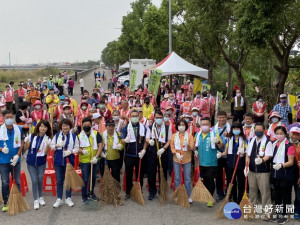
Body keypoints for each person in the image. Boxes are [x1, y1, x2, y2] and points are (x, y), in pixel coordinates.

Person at [244, 123, 273, 221]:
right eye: (256, 130)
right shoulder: (252, 140)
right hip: (252, 170)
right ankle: (252, 210)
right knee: (252, 191)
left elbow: (268, 155)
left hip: (263, 171)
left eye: (260, 130)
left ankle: (267, 213)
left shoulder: (268, 142)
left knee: (265, 192)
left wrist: (262, 160)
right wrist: (246, 166)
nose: (258, 132)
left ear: (264, 130)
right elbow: (248, 155)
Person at [50, 119, 79, 208]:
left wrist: (70, 152)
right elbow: (51, 147)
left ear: (70, 126)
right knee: (59, 181)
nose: (65, 127)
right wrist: (57, 145)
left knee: (68, 180)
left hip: (69, 161)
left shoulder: (74, 136)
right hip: (58, 161)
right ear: (61, 127)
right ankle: (59, 199)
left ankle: (68, 198)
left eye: (66, 125)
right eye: (63, 126)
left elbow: (77, 148)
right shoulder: (57, 135)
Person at [269, 126, 295, 224]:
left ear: (285, 134)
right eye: (277, 133)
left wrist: (281, 165)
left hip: (285, 175)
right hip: (275, 174)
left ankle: (285, 215)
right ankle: (278, 213)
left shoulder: (289, 146)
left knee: (286, 196)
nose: (279, 135)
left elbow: (291, 162)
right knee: (277, 195)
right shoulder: (274, 144)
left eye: (281, 133)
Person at [0, 110, 25, 212]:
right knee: (5, 183)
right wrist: (1, 149)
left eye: (11, 117)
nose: (9, 119)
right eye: (7, 117)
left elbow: (22, 143)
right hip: (3, 161)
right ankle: (6, 202)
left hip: (15, 160)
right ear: (3, 118)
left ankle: (17, 201)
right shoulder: (0, 129)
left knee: (17, 181)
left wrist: (17, 156)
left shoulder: (18, 128)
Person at [195, 117, 223, 207]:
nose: (204, 126)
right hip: (201, 162)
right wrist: (194, 150)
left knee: (210, 180)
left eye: (206, 124)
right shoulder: (197, 135)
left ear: (210, 124)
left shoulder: (214, 134)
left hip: (211, 162)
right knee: (205, 180)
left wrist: (218, 141)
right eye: (203, 124)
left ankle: (210, 198)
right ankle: (206, 196)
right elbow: (195, 146)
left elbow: (222, 146)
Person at [121, 109, 148, 200]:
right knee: (128, 174)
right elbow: (122, 139)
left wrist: (144, 150)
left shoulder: (143, 127)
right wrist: (125, 140)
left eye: (136, 116)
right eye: (133, 116)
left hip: (139, 155)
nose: (135, 117)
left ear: (139, 117)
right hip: (129, 154)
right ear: (130, 117)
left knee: (139, 174)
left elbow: (145, 140)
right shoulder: (125, 127)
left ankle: (139, 190)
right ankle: (129, 191)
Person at [25, 120, 52, 210]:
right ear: (38, 127)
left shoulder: (48, 139)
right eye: (41, 126)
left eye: (45, 126)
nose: (43, 128)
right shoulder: (32, 136)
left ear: (47, 128)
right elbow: (25, 149)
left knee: (40, 180)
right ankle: (35, 199)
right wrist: (26, 142)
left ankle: (40, 197)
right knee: (34, 181)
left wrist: (48, 145)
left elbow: (45, 153)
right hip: (31, 163)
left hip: (41, 163)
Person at [220, 121, 247, 204]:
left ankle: (240, 200)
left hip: (240, 163)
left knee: (240, 182)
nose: (236, 130)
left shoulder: (244, 139)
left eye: (237, 128)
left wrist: (243, 153)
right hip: (230, 163)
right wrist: (220, 154)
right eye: (234, 128)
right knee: (231, 182)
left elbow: (247, 152)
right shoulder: (229, 139)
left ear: (240, 129)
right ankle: (234, 199)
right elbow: (225, 152)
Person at [78, 116, 104, 203]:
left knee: (93, 178)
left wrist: (96, 156)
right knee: (85, 179)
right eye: (84, 125)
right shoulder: (79, 136)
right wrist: (82, 151)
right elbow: (75, 148)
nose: (86, 126)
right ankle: (84, 195)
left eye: (88, 124)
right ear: (82, 125)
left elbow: (101, 144)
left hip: (95, 160)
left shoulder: (96, 134)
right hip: (84, 161)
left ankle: (91, 193)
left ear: (91, 125)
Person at [146, 111, 171, 200]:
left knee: (162, 174)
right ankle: (152, 192)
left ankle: (162, 191)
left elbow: (169, 140)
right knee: (151, 174)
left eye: (160, 117)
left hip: (162, 153)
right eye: (157, 118)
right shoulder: (150, 127)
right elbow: (147, 137)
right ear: (154, 118)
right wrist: (149, 141)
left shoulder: (167, 128)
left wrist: (163, 149)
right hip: (152, 153)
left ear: (163, 118)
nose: (159, 119)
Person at [170, 118, 194, 203]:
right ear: (177, 126)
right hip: (177, 159)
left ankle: (188, 195)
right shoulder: (174, 136)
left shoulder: (189, 135)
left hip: (187, 159)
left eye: (183, 125)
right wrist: (175, 153)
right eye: (179, 125)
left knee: (187, 178)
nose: (181, 127)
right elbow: (172, 146)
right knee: (177, 178)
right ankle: (177, 194)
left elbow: (192, 147)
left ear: (186, 126)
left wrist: (188, 145)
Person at [212, 111, 231, 202]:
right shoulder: (213, 129)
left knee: (229, 176)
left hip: (228, 156)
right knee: (218, 175)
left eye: (223, 117)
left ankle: (229, 193)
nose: (221, 119)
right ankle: (220, 194)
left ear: (226, 118)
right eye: (219, 117)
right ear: (217, 118)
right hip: (217, 155)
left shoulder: (230, 128)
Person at [289, 127, 300, 219]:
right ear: (289, 134)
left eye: (297, 134)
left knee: (298, 193)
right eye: (293, 134)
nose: (295, 136)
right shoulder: (286, 144)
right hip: (287, 172)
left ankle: (297, 210)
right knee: (287, 192)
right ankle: (287, 209)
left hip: (298, 173)